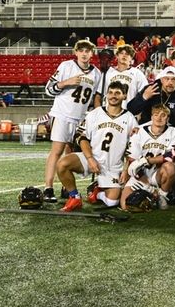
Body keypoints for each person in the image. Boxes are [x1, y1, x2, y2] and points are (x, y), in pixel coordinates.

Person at [56, 81, 138, 211]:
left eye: (117, 93)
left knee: (112, 202)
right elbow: (81, 137)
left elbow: (132, 148)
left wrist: (125, 169)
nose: (113, 96)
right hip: (92, 157)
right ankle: (75, 197)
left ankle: (97, 193)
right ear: (106, 95)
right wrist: (90, 158)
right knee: (62, 164)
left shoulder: (130, 119)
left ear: (124, 96)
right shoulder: (95, 114)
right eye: (110, 92)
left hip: (113, 166)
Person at [42, 40, 102, 203]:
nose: (84, 53)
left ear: (92, 54)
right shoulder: (66, 66)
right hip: (62, 114)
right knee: (57, 150)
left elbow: (94, 98)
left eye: (87, 51)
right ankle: (48, 188)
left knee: (71, 154)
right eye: (81, 50)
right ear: (76, 53)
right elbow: (48, 89)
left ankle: (66, 187)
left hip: (80, 118)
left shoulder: (96, 74)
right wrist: (66, 82)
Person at [120, 104, 175, 211]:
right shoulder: (139, 132)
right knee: (126, 206)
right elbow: (133, 163)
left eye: (163, 115)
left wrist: (147, 160)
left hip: (158, 175)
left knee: (170, 167)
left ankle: (162, 196)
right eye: (156, 115)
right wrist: (148, 186)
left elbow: (172, 156)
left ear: (167, 118)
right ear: (151, 117)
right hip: (140, 175)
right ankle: (152, 196)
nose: (159, 118)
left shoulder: (173, 132)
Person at [103, 44, 149, 108]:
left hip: (130, 113)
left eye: (127, 54)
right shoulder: (108, 72)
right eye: (121, 53)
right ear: (117, 56)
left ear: (131, 58)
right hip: (110, 113)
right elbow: (99, 95)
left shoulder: (137, 74)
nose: (124, 55)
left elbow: (145, 94)